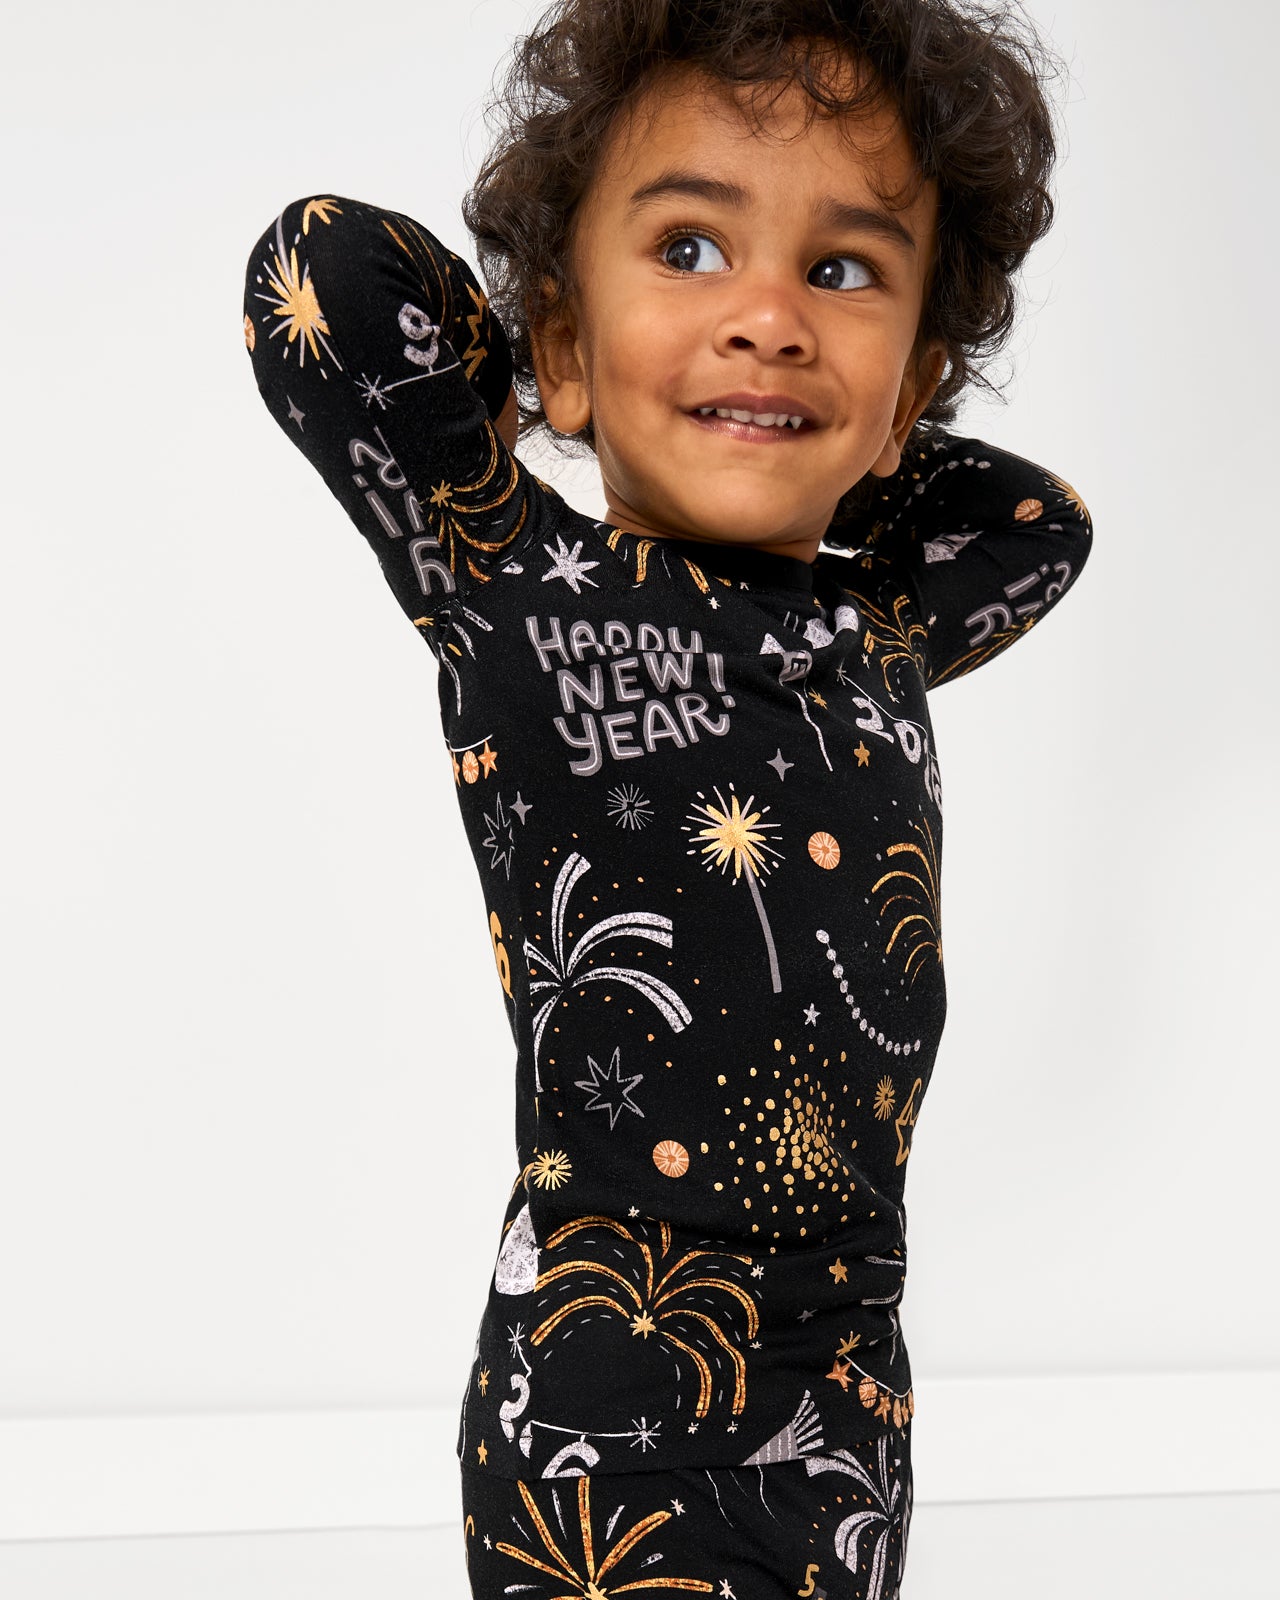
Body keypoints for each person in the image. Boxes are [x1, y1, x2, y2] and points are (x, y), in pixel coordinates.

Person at [242, 1, 1091, 1593]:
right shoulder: (506, 574)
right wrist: (534, 375)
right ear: (565, 342)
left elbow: (1040, 527)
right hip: (610, 1376)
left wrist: (871, 418)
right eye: (691, 248)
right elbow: (325, 270)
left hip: (849, 1384)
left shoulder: (877, 635)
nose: (767, 318)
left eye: (843, 271)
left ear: (916, 384)